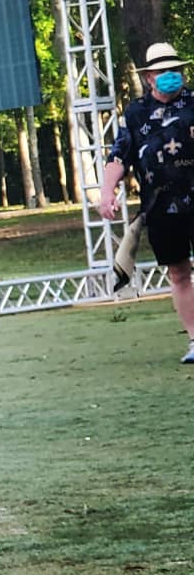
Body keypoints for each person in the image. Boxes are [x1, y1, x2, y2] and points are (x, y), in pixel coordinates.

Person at [100, 41, 194, 362]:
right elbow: (118, 157)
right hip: (161, 207)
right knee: (179, 273)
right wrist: (106, 193)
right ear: (150, 76)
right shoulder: (136, 113)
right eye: (163, 70)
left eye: (175, 69)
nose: (170, 75)